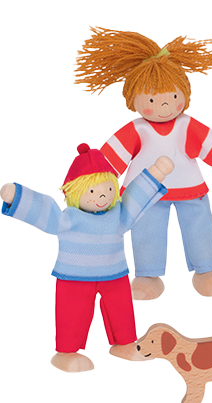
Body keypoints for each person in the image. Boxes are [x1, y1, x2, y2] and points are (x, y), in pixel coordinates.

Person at [74, 27, 212, 299]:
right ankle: (147, 275)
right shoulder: (137, 129)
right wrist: (89, 183)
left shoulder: (187, 125)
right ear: (133, 99)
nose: (165, 106)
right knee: (145, 230)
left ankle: (207, 269)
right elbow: (108, 161)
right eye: (152, 100)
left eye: (173, 97)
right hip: (145, 193)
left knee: (200, 227)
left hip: (190, 188)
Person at [1, 143, 172, 372]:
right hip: (74, 276)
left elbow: (134, 199)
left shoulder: (118, 215)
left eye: (108, 189)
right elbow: (44, 209)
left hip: (115, 274)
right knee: (72, 313)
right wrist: (17, 197)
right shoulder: (68, 219)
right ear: (75, 192)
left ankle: (125, 343)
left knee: (121, 309)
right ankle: (66, 352)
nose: (102, 196)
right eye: (92, 191)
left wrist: (155, 173)